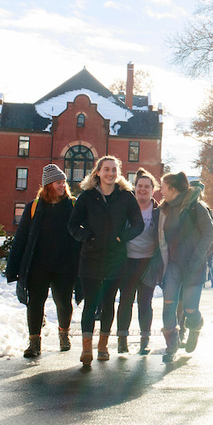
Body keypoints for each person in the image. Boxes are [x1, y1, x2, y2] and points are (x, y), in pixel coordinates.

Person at [68, 155, 144, 367]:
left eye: (114, 170)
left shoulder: (126, 197)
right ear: (98, 172)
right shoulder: (87, 197)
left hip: (115, 259)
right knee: (90, 303)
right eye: (106, 169)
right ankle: (85, 349)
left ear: (118, 173)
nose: (110, 173)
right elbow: (73, 225)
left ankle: (102, 346)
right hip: (90, 258)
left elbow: (138, 225)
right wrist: (88, 237)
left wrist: (121, 238)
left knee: (109, 302)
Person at [6, 164, 79, 358]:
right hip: (38, 266)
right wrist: (13, 268)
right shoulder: (34, 207)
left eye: (64, 182)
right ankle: (34, 343)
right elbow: (21, 238)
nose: (63, 185)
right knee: (35, 303)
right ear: (48, 185)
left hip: (64, 266)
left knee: (63, 302)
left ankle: (64, 334)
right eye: (58, 182)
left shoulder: (72, 205)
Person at [157, 172, 213, 363]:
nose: (161, 190)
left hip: (194, 266)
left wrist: (196, 258)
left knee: (190, 309)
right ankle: (171, 345)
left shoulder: (195, 207)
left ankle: (195, 326)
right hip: (173, 264)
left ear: (173, 190)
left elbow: (209, 234)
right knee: (168, 305)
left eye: (163, 187)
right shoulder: (164, 210)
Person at [116, 168, 162, 355]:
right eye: (139, 186)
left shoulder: (159, 211)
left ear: (153, 189)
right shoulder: (125, 208)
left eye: (147, 186)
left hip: (148, 262)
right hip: (127, 261)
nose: (142, 189)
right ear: (134, 188)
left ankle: (145, 340)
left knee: (145, 302)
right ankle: (122, 339)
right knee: (125, 300)